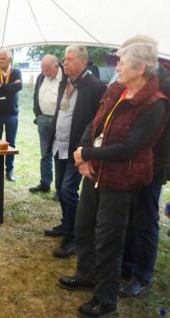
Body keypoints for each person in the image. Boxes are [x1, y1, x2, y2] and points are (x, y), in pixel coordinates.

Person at [59, 35, 167, 318]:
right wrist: (83, 152)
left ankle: (106, 299)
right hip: (94, 173)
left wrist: (88, 155)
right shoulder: (116, 89)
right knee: (84, 226)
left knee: (109, 238)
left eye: (122, 62)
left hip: (121, 180)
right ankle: (86, 274)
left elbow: (132, 147)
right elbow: (94, 123)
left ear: (141, 68)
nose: (116, 66)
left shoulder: (154, 103)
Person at [120, 38, 170, 298]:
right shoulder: (138, 81)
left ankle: (142, 274)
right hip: (131, 160)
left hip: (153, 164)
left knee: (146, 219)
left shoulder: (164, 82)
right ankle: (127, 265)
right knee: (130, 214)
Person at [45, 45, 106, 259]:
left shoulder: (96, 86)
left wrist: (84, 149)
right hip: (59, 145)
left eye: (69, 59)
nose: (65, 62)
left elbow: (96, 122)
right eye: (64, 59)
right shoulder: (66, 82)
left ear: (82, 61)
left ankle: (74, 238)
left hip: (76, 149)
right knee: (60, 188)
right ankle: (66, 224)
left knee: (68, 190)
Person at [29, 55, 65, 192]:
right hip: (43, 119)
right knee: (45, 154)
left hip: (59, 121)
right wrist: (37, 114)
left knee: (59, 155)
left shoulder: (65, 78)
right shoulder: (40, 77)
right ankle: (45, 184)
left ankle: (59, 189)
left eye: (47, 70)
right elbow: (35, 95)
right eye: (42, 69)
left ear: (56, 66)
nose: (44, 72)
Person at [0, 49, 22, 181]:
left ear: (9, 59)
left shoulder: (17, 72)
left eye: (3, 58)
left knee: (10, 142)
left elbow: (19, 87)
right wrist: (9, 86)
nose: (0, 61)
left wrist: (0, 86)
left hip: (11, 113)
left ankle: (10, 170)